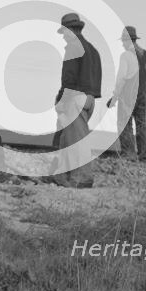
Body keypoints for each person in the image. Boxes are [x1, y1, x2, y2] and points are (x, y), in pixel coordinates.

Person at [50, 13, 102, 188]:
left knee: (76, 141)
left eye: (64, 32)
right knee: (67, 138)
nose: (63, 36)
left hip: (75, 98)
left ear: (70, 29)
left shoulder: (73, 47)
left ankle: (82, 178)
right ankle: (61, 176)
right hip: (90, 99)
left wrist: (62, 100)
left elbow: (69, 78)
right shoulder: (93, 50)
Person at [107, 26, 146, 161]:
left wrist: (114, 98)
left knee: (124, 123)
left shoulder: (126, 56)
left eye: (123, 41)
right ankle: (145, 155)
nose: (123, 44)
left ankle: (129, 154)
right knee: (142, 124)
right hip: (145, 95)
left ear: (127, 41)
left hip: (128, 95)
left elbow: (121, 79)